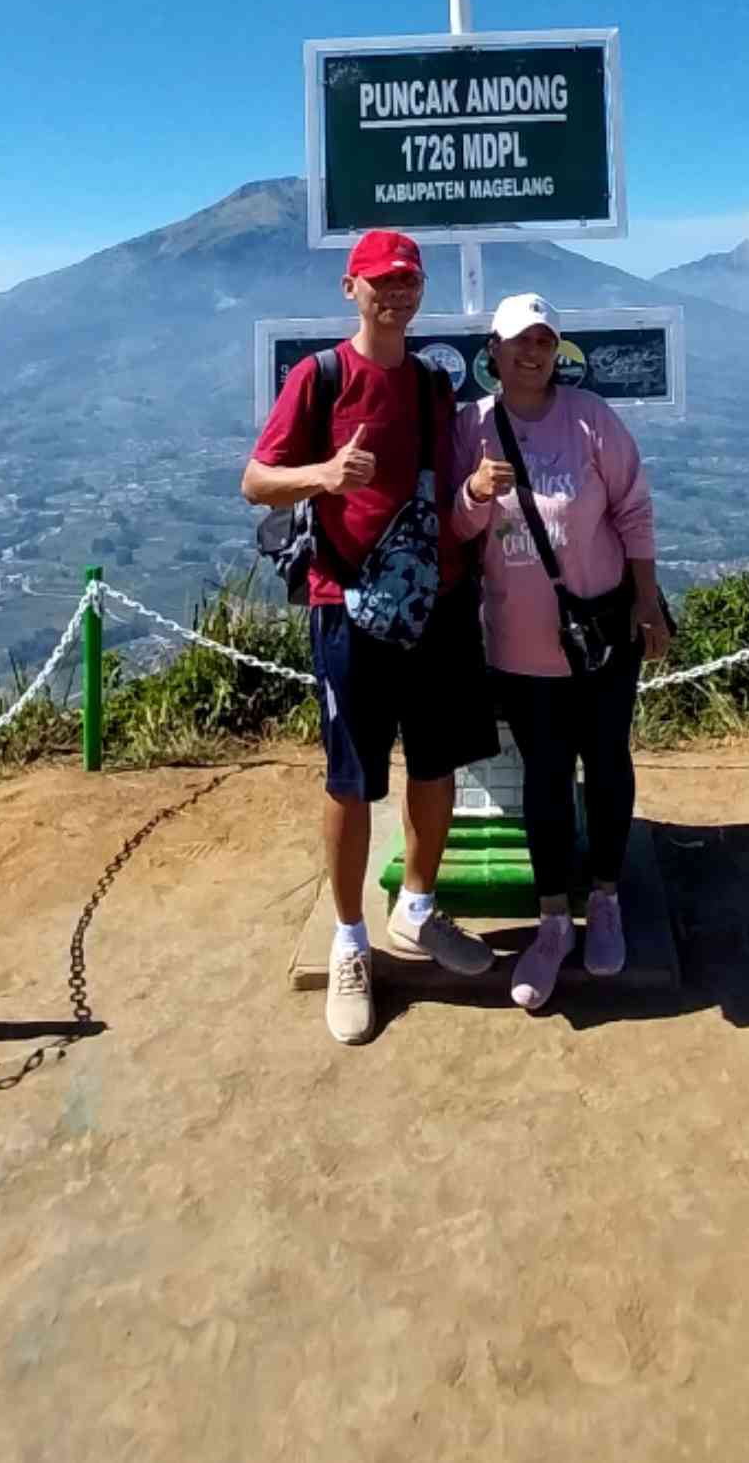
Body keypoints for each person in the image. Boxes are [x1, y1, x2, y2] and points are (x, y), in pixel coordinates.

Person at [243, 228, 497, 1045]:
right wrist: (323, 475)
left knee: (437, 762)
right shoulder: (318, 377)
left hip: (436, 601)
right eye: (382, 280)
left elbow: (447, 485)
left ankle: (416, 908)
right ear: (351, 288)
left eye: (408, 280)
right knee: (350, 780)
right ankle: (350, 938)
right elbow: (255, 480)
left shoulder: (430, 385)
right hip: (346, 604)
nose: (398, 292)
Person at [453, 293, 670, 1013]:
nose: (532, 352)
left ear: (557, 350)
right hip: (519, 647)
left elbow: (633, 508)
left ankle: (603, 899)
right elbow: (453, 526)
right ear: (493, 350)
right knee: (547, 779)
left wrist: (647, 600)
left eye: (544, 340)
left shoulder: (590, 419)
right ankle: (553, 920)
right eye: (519, 340)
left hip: (604, 636)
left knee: (607, 760)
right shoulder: (472, 427)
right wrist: (477, 492)